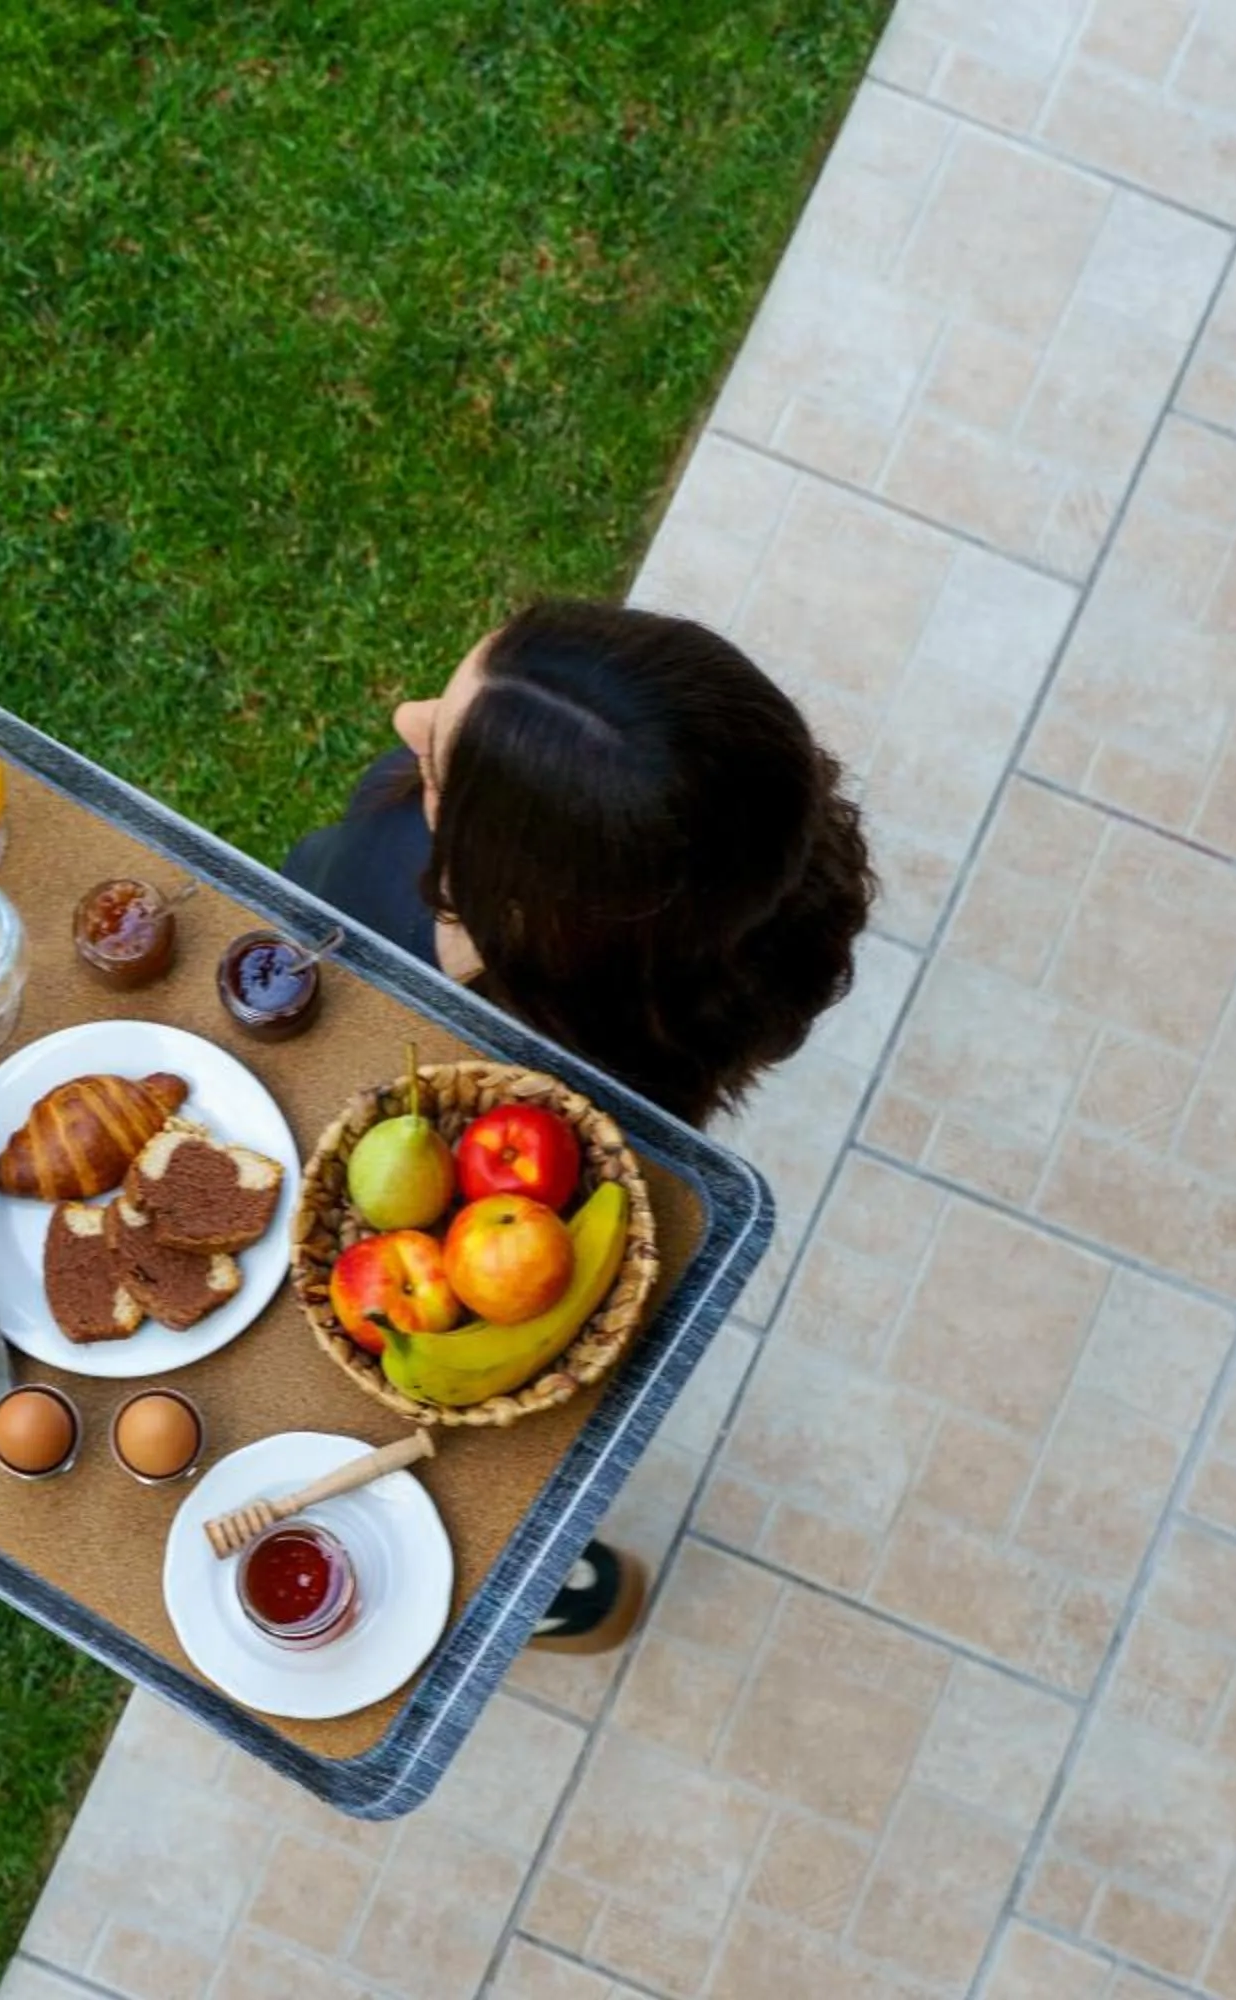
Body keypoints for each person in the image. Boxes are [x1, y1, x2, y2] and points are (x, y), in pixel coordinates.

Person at [282, 599, 874, 1650]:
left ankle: (536, 1577)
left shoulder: (406, 948)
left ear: (517, 902)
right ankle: (563, 1579)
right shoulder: (742, 905)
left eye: (436, 768)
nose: (404, 715)